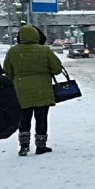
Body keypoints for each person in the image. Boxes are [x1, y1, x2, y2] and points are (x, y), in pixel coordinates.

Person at [3, 25, 63, 156]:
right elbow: (57, 69)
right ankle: (41, 145)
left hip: (21, 91)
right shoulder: (44, 51)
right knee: (41, 118)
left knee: (24, 118)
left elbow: (7, 71)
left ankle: (24, 145)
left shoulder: (13, 52)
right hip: (42, 89)